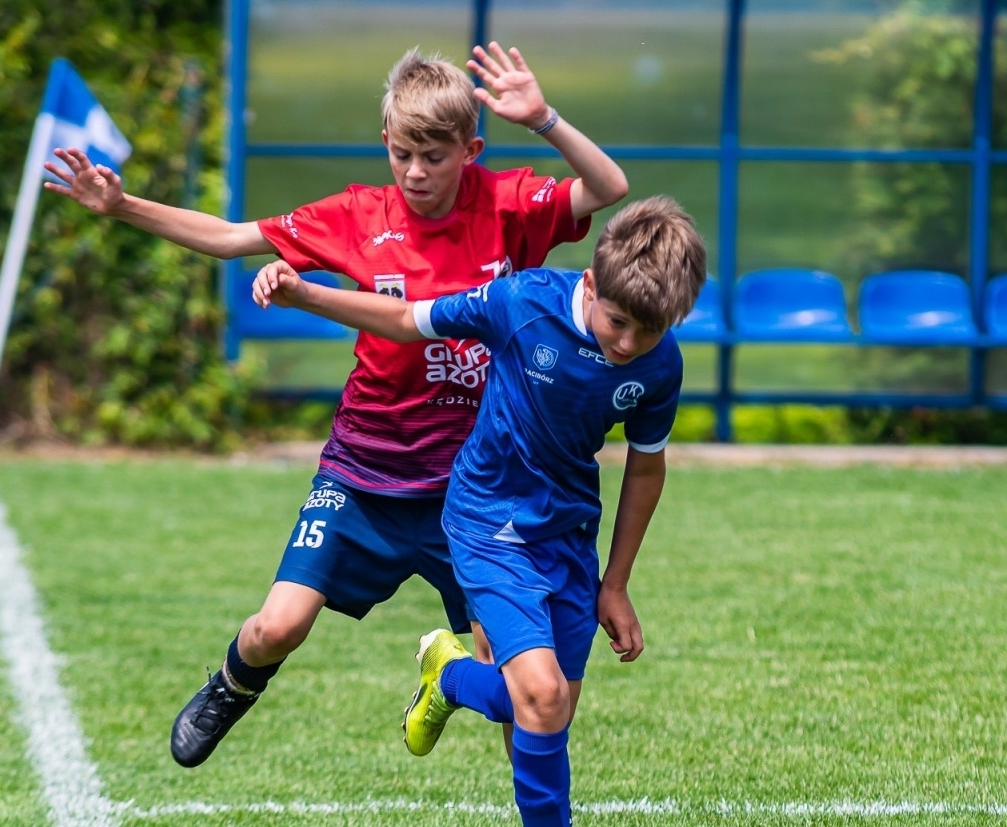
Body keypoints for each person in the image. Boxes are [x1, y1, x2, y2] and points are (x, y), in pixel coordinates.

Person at [43, 44, 628, 768]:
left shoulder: (506, 204)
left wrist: (544, 119)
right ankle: (230, 686)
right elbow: (232, 239)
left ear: (470, 150)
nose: (416, 173)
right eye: (403, 153)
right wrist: (120, 204)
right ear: (385, 141)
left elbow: (607, 188)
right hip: (365, 473)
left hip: (474, 490)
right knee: (276, 628)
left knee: (521, 692)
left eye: (436, 157)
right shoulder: (356, 214)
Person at [252, 196, 706, 827]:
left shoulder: (659, 366)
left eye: (646, 333)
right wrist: (304, 292)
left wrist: (615, 583)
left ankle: (451, 677)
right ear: (589, 286)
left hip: (568, 534)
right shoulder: (522, 303)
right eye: (617, 324)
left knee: (546, 714)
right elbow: (407, 319)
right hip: (486, 517)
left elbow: (645, 466)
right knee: (544, 697)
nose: (626, 345)